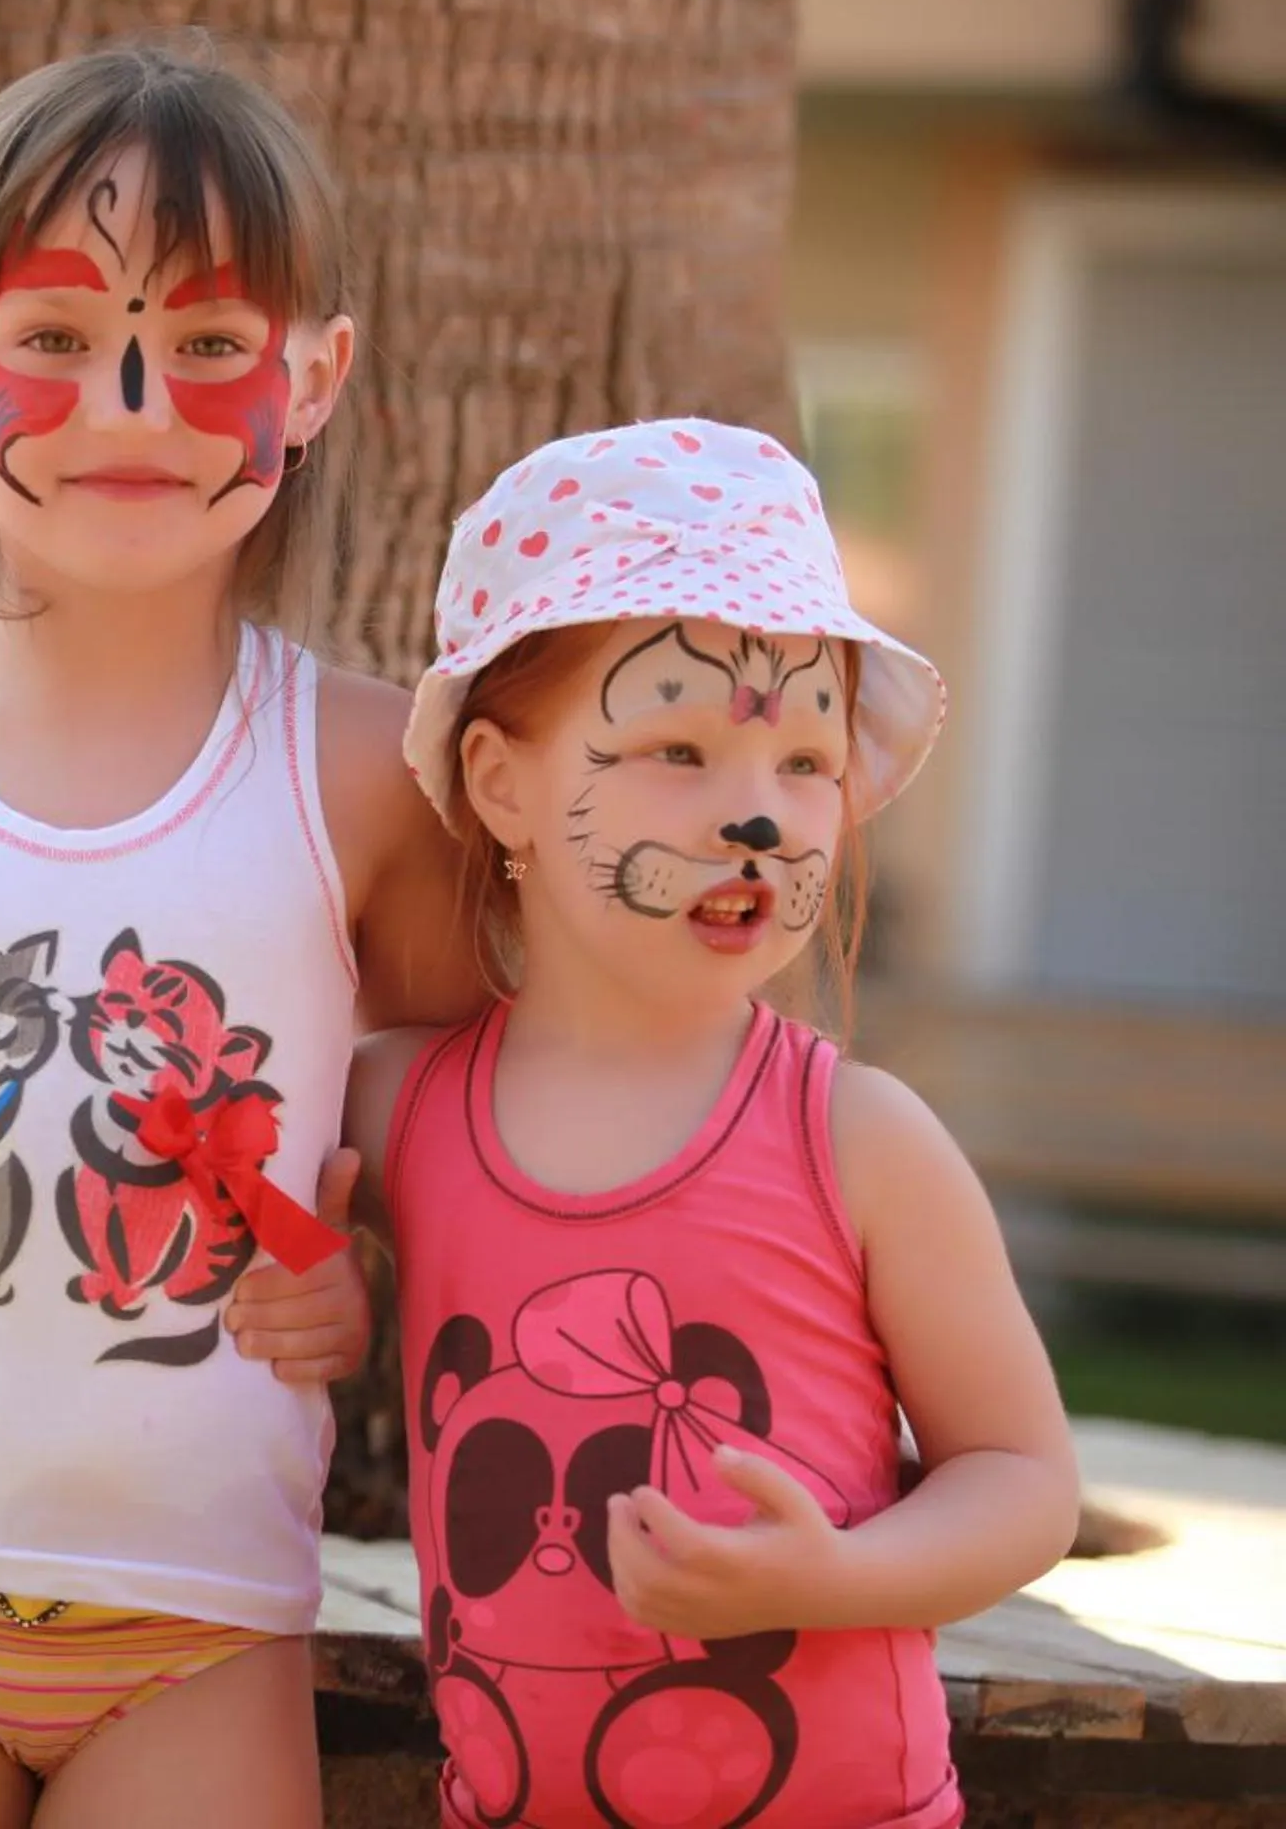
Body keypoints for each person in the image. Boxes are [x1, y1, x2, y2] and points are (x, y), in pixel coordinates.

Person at [0, 40, 484, 1826]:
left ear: (312, 380)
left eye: (209, 345)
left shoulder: (365, 774)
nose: (129, 402)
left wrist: (358, 1241)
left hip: (200, 1626)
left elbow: (488, 1090)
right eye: (52, 333)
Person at [347, 418, 1079, 1826]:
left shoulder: (858, 1138)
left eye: (805, 762)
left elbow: (1023, 1479)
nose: (759, 817)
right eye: (677, 748)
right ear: (501, 783)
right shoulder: (397, 1110)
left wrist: (836, 1577)